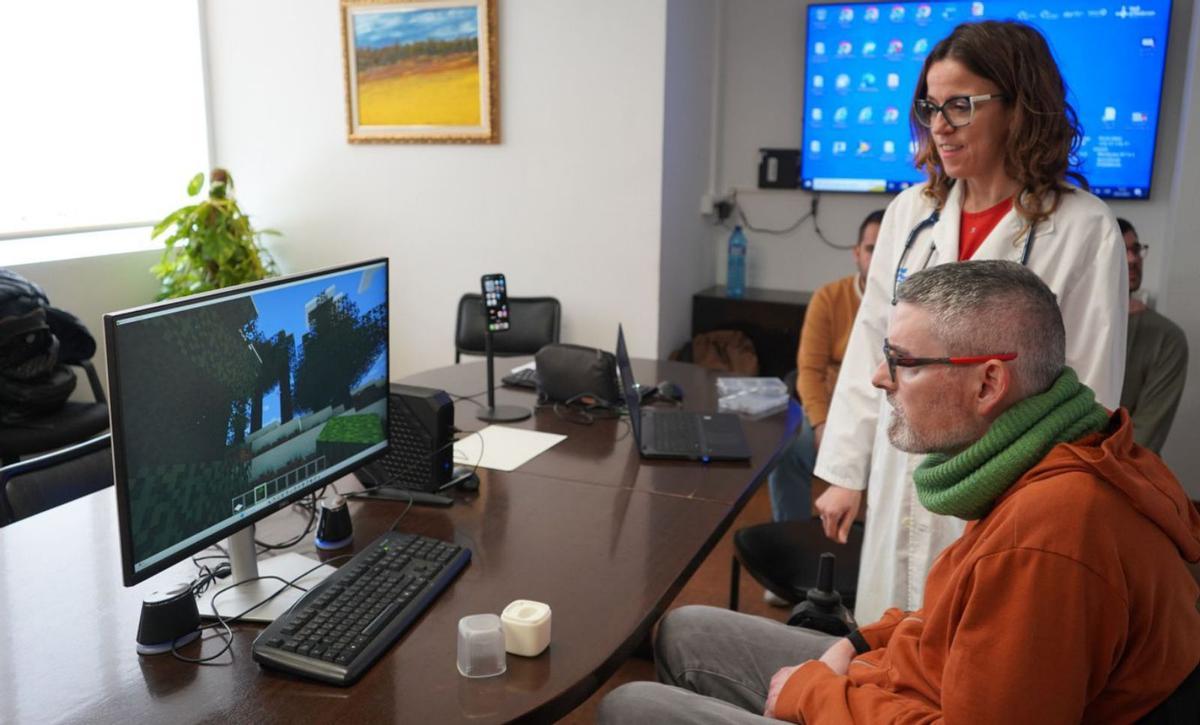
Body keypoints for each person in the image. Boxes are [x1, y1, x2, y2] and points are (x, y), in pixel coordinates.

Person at [598, 260, 1200, 724]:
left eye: (902, 360)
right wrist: (861, 643)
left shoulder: (1049, 533)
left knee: (632, 707)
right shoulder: (1053, 455)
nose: (879, 378)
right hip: (905, 684)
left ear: (989, 382)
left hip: (904, 702)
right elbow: (952, 620)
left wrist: (816, 694)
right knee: (688, 629)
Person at [812, 20, 1128, 623]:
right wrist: (848, 471)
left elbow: (1089, 390)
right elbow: (870, 348)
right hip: (903, 466)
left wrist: (1045, 512)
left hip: (1007, 491)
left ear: (1020, 109)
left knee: (974, 648)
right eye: (931, 106)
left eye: (961, 105)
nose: (939, 126)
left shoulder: (1084, 228)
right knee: (887, 644)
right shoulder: (912, 212)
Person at [766, 210, 883, 527]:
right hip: (833, 413)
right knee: (787, 450)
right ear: (856, 253)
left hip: (887, 422)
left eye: (888, 247)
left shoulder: (913, 302)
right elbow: (809, 370)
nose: (878, 256)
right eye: (872, 248)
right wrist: (820, 424)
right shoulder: (829, 298)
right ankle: (791, 537)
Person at [1117, 217, 1188, 453]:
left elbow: (1143, 440)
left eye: (1135, 249)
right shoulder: (1064, 322)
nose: (1132, 259)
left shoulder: (1166, 339)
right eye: (1120, 249)